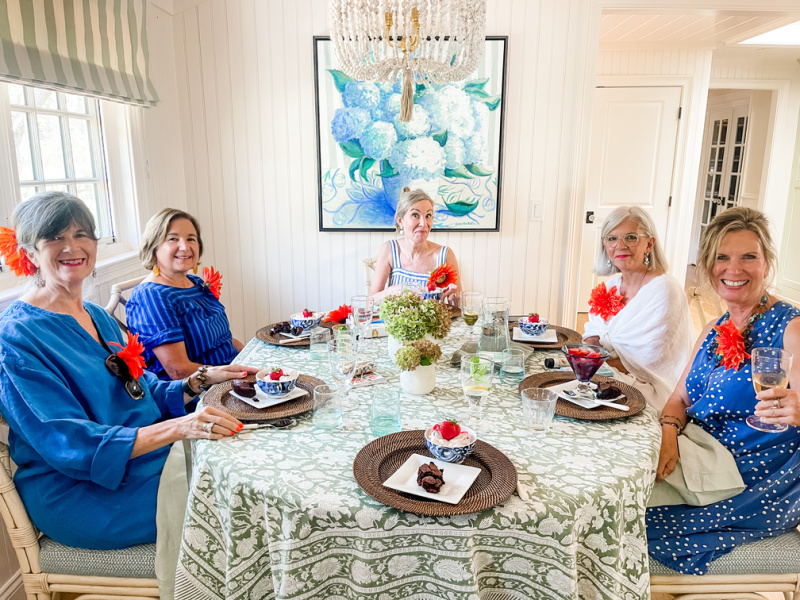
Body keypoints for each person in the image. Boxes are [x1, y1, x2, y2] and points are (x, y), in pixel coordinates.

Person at [0, 192, 257, 550]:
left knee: (251, 461)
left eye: (81, 235)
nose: (71, 246)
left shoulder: (96, 315)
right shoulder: (15, 337)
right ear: (29, 253)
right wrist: (177, 426)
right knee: (238, 500)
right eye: (55, 237)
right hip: (83, 492)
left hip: (145, 457)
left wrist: (200, 379)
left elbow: (142, 386)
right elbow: (68, 443)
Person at [647, 207, 800, 575]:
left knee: (627, 519)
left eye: (749, 257)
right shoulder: (714, 328)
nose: (734, 269)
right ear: (708, 265)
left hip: (753, 481)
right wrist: (669, 430)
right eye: (722, 258)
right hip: (700, 456)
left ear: (767, 263)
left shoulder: (790, 328)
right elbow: (680, 398)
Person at [582, 206, 693, 412]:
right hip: (604, 378)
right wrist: (589, 353)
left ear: (649, 244)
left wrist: (594, 362)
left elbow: (649, 362)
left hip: (648, 391)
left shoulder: (665, 289)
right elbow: (592, 334)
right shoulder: (609, 287)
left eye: (631, 237)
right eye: (612, 239)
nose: (620, 246)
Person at [126, 209, 243, 380]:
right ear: (153, 247)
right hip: (197, 392)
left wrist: (253, 361)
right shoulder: (151, 296)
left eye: (191, 239)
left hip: (229, 375)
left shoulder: (194, 282)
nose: (185, 246)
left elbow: (224, 339)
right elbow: (178, 370)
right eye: (173, 239)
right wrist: (238, 375)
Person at [368, 187, 461, 302]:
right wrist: (390, 291)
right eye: (415, 215)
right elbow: (370, 301)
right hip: (396, 320)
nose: (423, 223)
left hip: (432, 320)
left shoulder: (445, 254)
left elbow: (458, 306)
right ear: (400, 221)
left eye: (428, 215)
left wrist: (456, 297)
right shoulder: (390, 250)